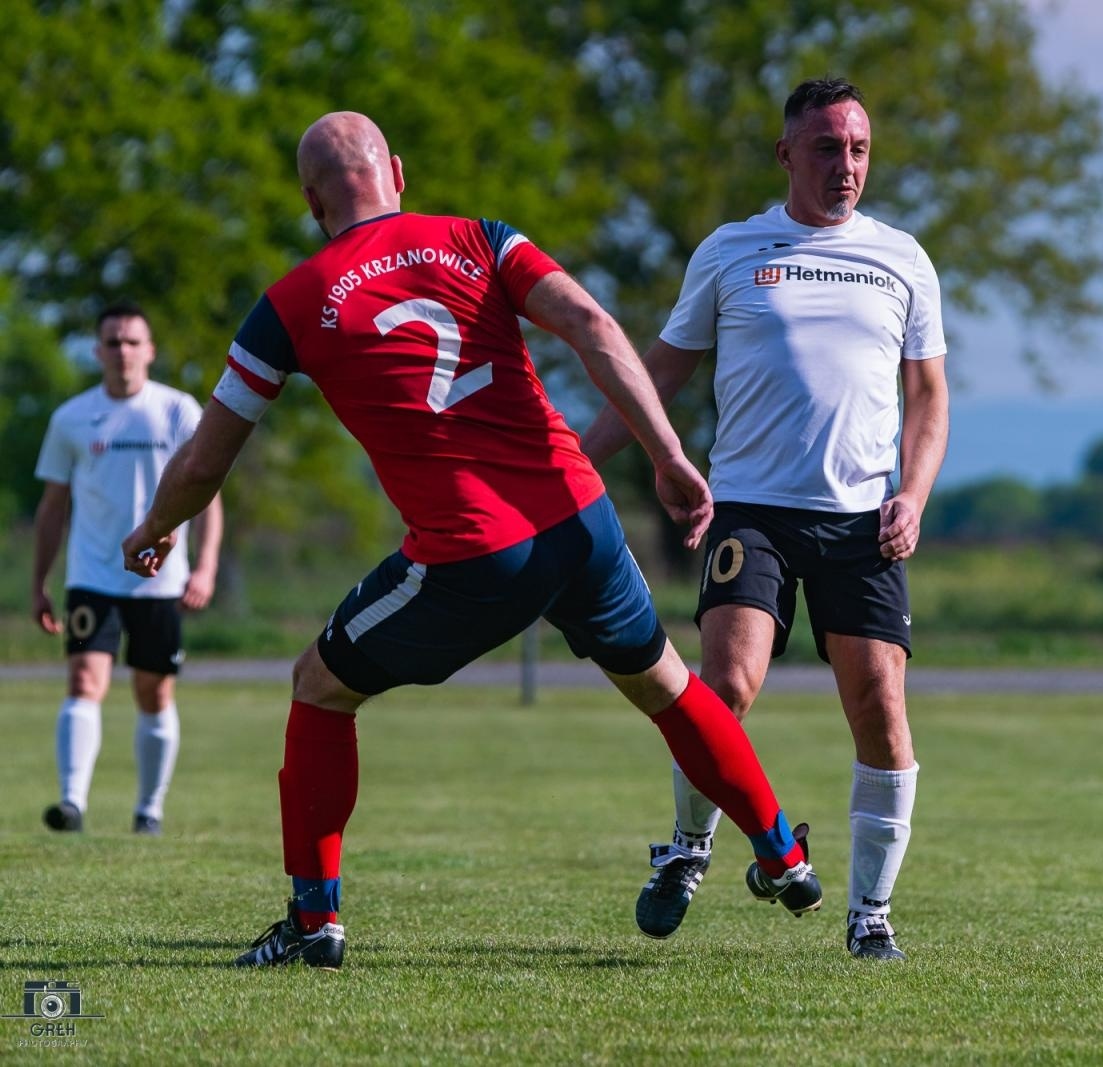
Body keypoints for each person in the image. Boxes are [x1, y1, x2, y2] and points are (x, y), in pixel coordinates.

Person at [121, 111, 822, 971]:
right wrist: (669, 454)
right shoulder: (481, 238)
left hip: (473, 552)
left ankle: (313, 923)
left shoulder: (292, 304)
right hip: (582, 519)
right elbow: (596, 328)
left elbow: (201, 464)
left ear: (312, 202)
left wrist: (154, 529)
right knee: (669, 688)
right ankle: (782, 850)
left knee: (319, 686)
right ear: (399, 173)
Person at [582, 78, 949, 961]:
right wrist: (580, 459)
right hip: (752, 510)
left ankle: (871, 916)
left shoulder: (903, 257)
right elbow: (659, 370)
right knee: (727, 685)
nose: (845, 166)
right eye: (826, 148)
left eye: (858, 149)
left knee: (881, 708)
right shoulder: (731, 251)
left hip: (864, 523)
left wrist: (915, 494)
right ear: (787, 154)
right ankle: (688, 847)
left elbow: (930, 395)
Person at [32, 302, 223, 837]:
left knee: (154, 692)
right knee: (84, 679)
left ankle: (149, 810)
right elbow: (52, 507)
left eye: (132, 341)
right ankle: (71, 804)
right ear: (98, 352)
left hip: (160, 580)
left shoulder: (177, 410)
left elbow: (207, 494)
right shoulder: (71, 417)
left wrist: (203, 567)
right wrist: (40, 582)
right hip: (92, 575)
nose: (122, 352)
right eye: (112, 342)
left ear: (150, 351)